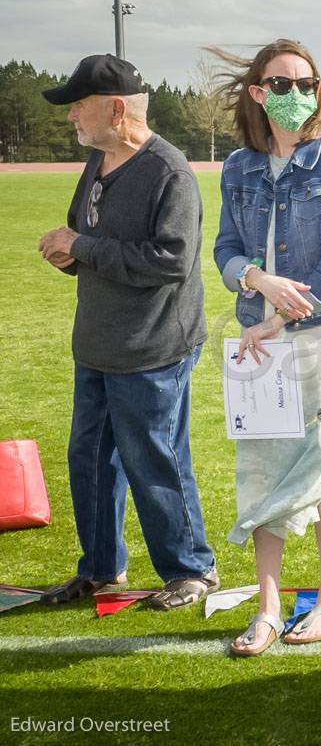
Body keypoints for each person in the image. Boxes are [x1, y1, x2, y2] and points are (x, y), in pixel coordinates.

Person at [36, 54, 218, 610]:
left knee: (154, 458)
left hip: (153, 347)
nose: (71, 118)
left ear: (117, 110)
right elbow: (83, 231)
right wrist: (68, 254)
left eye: (80, 106)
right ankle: (99, 568)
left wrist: (82, 248)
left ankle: (191, 570)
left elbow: (170, 259)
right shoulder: (98, 161)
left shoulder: (169, 171)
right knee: (89, 459)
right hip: (96, 343)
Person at [211, 39, 321, 656]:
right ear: (257, 93)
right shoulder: (238, 168)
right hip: (259, 334)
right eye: (280, 83)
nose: (296, 93)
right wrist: (256, 280)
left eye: (306, 81)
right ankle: (269, 609)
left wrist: (282, 316)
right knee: (264, 467)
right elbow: (224, 250)